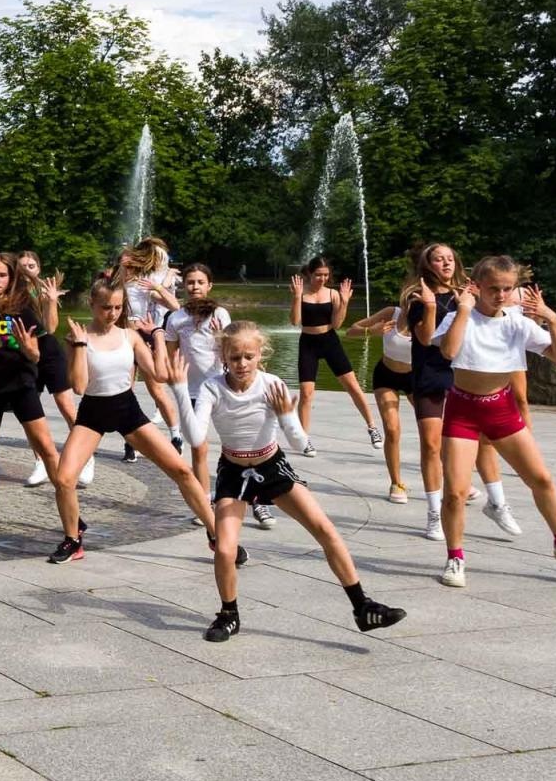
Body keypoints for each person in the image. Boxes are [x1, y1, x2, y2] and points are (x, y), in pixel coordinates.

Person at [169, 324, 406, 641]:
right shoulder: (213, 387)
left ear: (260, 355)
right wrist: (181, 390)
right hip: (234, 472)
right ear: (223, 356)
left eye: (248, 356)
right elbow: (196, 438)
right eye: (235, 356)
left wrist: (284, 416)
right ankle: (228, 614)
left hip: (272, 466)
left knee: (325, 529)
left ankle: (362, 606)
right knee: (225, 550)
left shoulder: (272, 384)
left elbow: (299, 442)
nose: (241, 363)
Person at [53, 278, 246, 567]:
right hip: (93, 412)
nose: (113, 313)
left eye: (118, 307)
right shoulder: (78, 337)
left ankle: (217, 535)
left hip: (127, 410)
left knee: (181, 470)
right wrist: (80, 347)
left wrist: (156, 334)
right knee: (64, 479)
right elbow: (79, 387)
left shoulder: (129, 336)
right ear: (92, 305)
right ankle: (73, 538)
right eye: (106, 307)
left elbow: (159, 373)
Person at [433, 258, 556, 588]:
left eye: (507, 289)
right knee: (456, 492)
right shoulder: (457, 317)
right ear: (476, 286)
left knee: (542, 479)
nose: (502, 295)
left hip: (501, 409)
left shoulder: (517, 323)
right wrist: (464, 310)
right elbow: (448, 352)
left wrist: (551, 319)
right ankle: (455, 557)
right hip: (463, 410)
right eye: (494, 288)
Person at [0, 253, 81, 546]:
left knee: (48, 450)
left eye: (2, 275)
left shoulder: (23, 309)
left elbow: (37, 356)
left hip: (21, 385)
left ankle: (71, 509)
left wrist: (28, 348)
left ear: (11, 278)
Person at [404, 243, 518, 541]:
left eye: (449, 258)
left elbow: (501, 310)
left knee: (485, 441)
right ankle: (433, 515)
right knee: (431, 446)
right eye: (438, 259)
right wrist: (430, 306)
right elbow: (426, 339)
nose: (445, 263)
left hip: (463, 374)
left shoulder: (472, 292)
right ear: (427, 265)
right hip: (430, 375)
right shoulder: (419, 296)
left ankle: (498, 503)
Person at [156, 263, 256, 523]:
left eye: (200, 282)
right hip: (192, 391)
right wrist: (171, 378)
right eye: (190, 282)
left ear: (209, 285)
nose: (195, 287)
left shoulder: (220, 314)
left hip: (221, 386)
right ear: (184, 286)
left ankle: (252, 496)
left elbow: (234, 350)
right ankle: (204, 503)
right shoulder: (176, 318)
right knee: (198, 448)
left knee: (238, 444)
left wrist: (221, 339)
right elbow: (170, 355)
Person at [289, 257, 380, 452]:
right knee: (306, 393)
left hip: (329, 341)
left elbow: (337, 325)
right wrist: (297, 298)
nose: (322, 279)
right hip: (308, 343)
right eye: (318, 275)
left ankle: (372, 427)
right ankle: (305, 439)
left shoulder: (333, 294)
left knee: (353, 386)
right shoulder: (301, 292)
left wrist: (344, 302)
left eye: (325, 275)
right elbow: (295, 321)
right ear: (309, 274)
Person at [17, 251, 90, 488]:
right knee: (29, 413)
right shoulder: (12, 294)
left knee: (66, 405)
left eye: (31, 265)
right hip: (25, 354)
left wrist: (50, 301)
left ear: (38, 268)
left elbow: (50, 327)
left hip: (48, 351)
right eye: (22, 266)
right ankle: (40, 462)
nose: (27, 269)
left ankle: (85, 456)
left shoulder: (44, 291)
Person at [116, 239, 184, 460]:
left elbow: (175, 306)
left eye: (129, 266)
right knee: (126, 391)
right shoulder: (115, 288)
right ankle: (130, 443)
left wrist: (158, 288)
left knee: (156, 389)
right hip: (124, 338)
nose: (125, 269)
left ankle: (176, 436)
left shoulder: (142, 284)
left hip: (143, 337)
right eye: (122, 266)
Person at [346, 303, 416, 503]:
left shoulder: (431, 317)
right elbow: (352, 331)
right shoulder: (391, 313)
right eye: (408, 297)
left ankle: (454, 477)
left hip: (416, 377)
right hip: (387, 376)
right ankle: (396, 483)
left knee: (434, 433)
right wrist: (371, 331)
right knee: (392, 430)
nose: (411, 302)